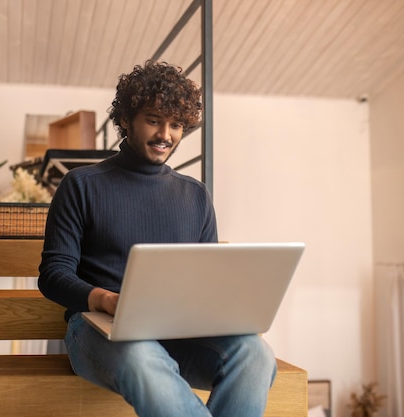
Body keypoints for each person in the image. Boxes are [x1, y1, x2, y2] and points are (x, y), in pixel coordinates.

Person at [38, 60, 276, 417]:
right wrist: (104, 299)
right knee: (141, 354)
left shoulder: (195, 195)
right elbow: (53, 274)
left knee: (256, 355)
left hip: (178, 332)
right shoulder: (81, 185)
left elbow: (208, 279)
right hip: (96, 330)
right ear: (126, 120)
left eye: (176, 125)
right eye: (153, 120)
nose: (166, 134)